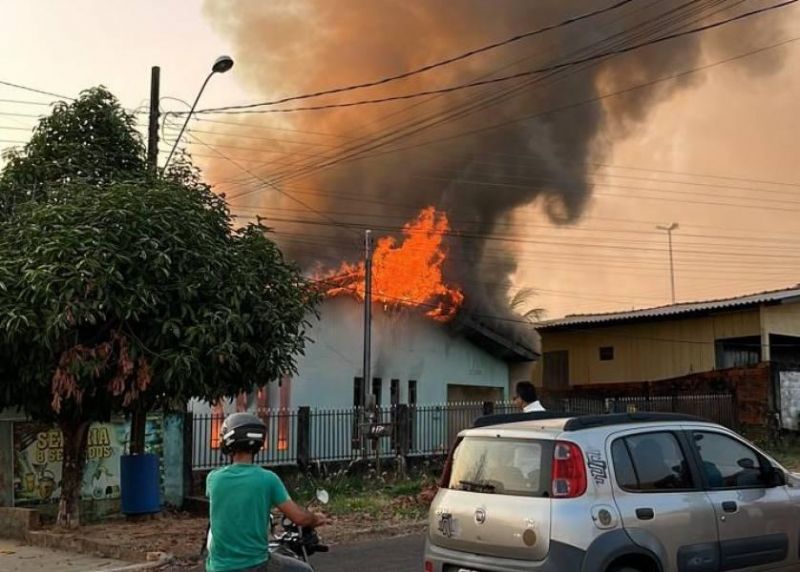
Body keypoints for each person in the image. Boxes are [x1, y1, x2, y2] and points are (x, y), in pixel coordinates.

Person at [205, 412, 327, 572]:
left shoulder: (213, 479)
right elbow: (299, 518)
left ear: (228, 442)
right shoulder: (268, 479)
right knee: (304, 570)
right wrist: (315, 519)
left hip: (218, 567)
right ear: (259, 444)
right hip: (255, 564)